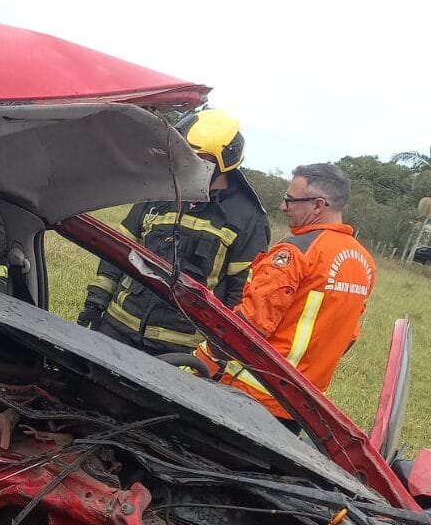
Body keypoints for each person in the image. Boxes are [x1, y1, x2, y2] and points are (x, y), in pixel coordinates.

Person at [196, 163, 375, 428]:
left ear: (318, 205)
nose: (283, 207)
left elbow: (249, 324)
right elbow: (348, 336)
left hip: (252, 397)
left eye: (290, 200)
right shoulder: (363, 262)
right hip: (305, 408)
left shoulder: (294, 252)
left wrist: (202, 357)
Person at [78, 109, 270, 355]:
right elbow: (117, 253)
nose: (186, 163)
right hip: (116, 328)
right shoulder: (160, 191)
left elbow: (240, 293)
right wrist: (95, 304)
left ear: (224, 162)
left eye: (198, 157)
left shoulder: (247, 218)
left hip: (179, 350)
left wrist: (219, 353)